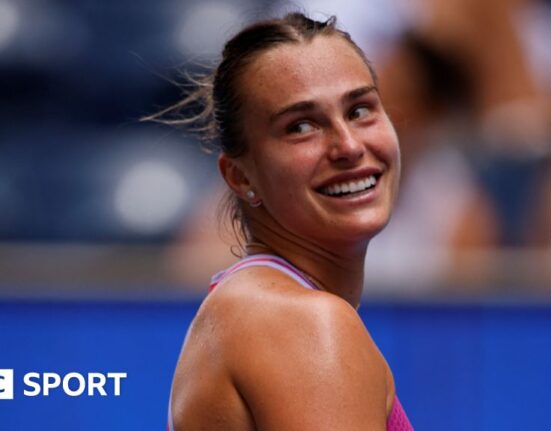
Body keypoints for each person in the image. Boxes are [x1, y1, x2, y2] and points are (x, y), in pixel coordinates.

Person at [157, 13, 413, 430]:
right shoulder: (303, 323)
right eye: (301, 126)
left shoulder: (253, 307)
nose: (348, 146)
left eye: (360, 109)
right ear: (240, 177)